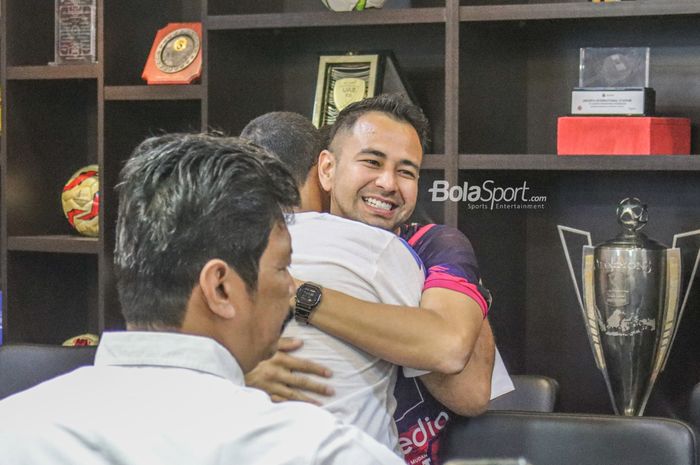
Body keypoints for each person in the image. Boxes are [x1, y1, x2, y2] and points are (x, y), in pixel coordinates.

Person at [0, 133, 405, 465]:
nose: (289, 292)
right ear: (221, 288)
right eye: (282, 270)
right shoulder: (314, 451)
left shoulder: (14, 427)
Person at [242, 102, 512, 462]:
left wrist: (302, 295)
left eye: (407, 171)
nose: (387, 183)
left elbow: (470, 390)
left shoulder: (433, 246)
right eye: (371, 162)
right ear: (327, 169)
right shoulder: (273, 245)